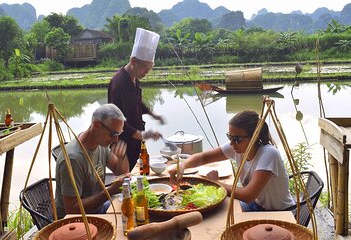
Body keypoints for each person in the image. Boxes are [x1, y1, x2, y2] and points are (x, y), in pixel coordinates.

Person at [169, 110, 295, 212]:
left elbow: (247, 195)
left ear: (254, 137)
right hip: (257, 205)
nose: (231, 143)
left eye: (237, 139)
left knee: (222, 217)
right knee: (219, 211)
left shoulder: (268, 154)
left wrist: (214, 183)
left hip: (279, 213)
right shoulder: (238, 147)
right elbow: (204, 157)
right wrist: (183, 165)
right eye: (230, 137)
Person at [55, 104, 129, 218]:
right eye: (113, 134)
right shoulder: (73, 159)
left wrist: (122, 157)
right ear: (97, 125)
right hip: (77, 222)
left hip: (98, 209)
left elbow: (122, 173)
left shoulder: (101, 144)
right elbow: (72, 209)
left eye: (119, 134)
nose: (116, 139)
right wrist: (109, 192)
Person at [108, 28, 165, 170]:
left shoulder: (134, 78)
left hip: (135, 141)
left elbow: (137, 103)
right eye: (145, 68)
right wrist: (142, 134)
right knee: (124, 178)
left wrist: (153, 115)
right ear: (133, 61)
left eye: (150, 69)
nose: (147, 72)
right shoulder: (119, 85)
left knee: (135, 172)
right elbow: (117, 120)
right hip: (123, 143)